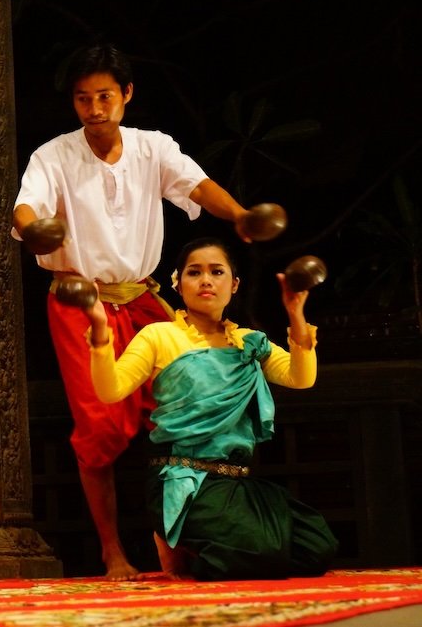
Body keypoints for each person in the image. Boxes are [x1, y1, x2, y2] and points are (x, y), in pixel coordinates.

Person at [12, 41, 259, 580]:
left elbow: (197, 185)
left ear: (126, 94)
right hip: (81, 303)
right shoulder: (53, 156)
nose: (95, 108)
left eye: (104, 96)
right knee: (100, 425)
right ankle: (111, 551)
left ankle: (179, 544)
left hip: (144, 299)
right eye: (83, 99)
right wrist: (33, 228)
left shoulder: (153, 148)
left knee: (183, 410)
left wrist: (240, 216)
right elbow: (26, 206)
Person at [86, 237, 338, 580]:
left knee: (316, 546)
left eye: (216, 272)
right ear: (177, 283)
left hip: (237, 483)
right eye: (194, 272)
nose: (206, 280)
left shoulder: (248, 341)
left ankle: (204, 547)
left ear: (233, 284)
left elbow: (300, 377)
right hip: (182, 480)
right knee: (256, 552)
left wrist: (295, 314)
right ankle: (173, 538)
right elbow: (110, 389)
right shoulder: (159, 336)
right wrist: (101, 338)